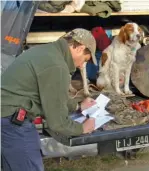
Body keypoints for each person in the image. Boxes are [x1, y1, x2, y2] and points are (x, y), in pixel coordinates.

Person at [1, 28, 97, 171]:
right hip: (13, 123)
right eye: (86, 59)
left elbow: (52, 95)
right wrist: (83, 128)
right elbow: (57, 122)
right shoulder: (57, 66)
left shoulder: (46, 52)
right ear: (80, 48)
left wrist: (77, 106)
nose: (82, 65)